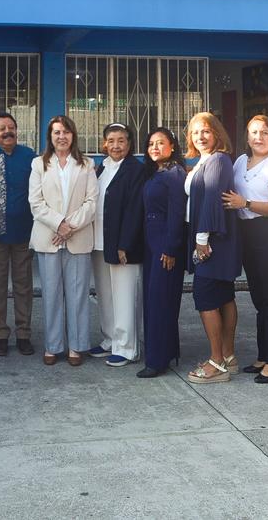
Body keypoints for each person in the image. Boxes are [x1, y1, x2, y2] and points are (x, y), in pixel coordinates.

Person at [222, 115, 268, 381]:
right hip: (247, 234)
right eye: (253, 132)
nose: (258, 137)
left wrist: (246, 203)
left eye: (264, 133)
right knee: (260, 299)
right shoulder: (241, 161)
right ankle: (264, 355)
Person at [28, 115, 98, 367]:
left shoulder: (86, 164)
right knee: (51, 294)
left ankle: (77, 346)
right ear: (50, 136)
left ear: (73, 135)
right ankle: (53, 345)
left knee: (78, 295)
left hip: (78, 238)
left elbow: (92, 202)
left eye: (66, 132)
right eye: (57, 132)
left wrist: (70, 227)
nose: (61, 137)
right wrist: (59, 224)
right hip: (49, 238)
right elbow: (35, 202)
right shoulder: (39, 164)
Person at [185, 112, 241, 384]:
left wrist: (202, 239)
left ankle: (216, 362)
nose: (200, 136)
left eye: (206, 131)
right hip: (211, 238)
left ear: (217, 133)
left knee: (206, 297)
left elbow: (212, 198)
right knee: (223, 296)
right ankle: (228, 357)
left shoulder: (218, 159)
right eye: (195, 132)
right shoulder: (203, 161)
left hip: (212, 241)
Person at [0, 113, 37, 357]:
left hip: (25, 232)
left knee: (24, 285)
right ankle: (0, 334)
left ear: (17, 130)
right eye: (1, 128)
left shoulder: (30, 156)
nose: (7, 131)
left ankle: (24, 334)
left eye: (11, 127)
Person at [92, 122, 146, 368]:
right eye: (111, 141)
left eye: (121, 140)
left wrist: (126, 244)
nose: (116, 145)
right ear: (105, 144)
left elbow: (135, 210)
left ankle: (126, 347)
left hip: (123, 244)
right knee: (105, 295)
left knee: (124, 296)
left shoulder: (136, 169)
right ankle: (110, 339)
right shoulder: (102, 167)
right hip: (100, 241)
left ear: (129, 143)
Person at [137, 128, 187, 379]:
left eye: (160, 143)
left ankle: (157, 361)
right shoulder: (156, 172)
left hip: (165, 245)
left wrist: (170, 248)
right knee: (154, 300)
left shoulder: (174, 173)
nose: (154, 148)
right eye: (150, 144)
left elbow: (177, 213)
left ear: (172, 146)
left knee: (160, 301)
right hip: (151, 243)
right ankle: (163, 353)